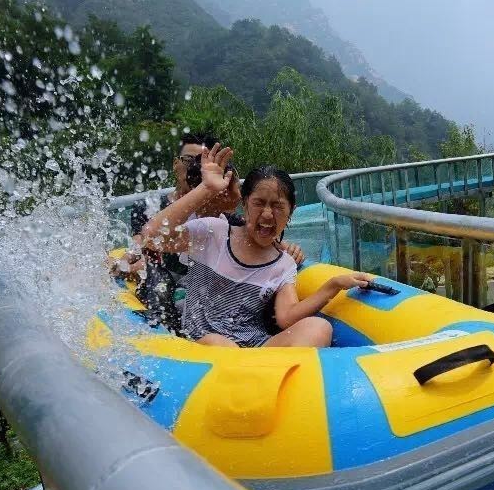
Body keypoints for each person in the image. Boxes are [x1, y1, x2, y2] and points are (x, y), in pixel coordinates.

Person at [141, 145, 368, 348]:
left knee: (319, 328)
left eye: (278, 206)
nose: (267, 214)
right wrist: (207, 189)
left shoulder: (284, 264)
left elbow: (286, 317)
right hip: (206, 348)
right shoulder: (213, 233)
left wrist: (334, 284)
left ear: (291, 211)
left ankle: (271, 380)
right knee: (217, 343)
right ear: (244, 204)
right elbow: (151, 237)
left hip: (256, 352)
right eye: (259, 203)